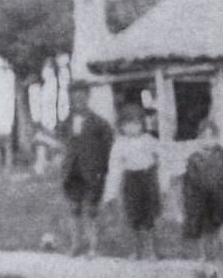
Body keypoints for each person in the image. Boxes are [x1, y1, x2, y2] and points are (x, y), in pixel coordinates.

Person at [57, 80, 115, 257]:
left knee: (91, 210)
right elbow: (62, 144)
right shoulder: (66, 123)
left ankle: (93, 247)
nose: (78, 102)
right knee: (73, 209)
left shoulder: (100, 123)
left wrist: (102, 170)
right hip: (72, 173)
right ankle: (75, 245)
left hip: (92, 173)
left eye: (82, 98)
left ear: (88, 97)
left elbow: (108, 148)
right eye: (74, 99)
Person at [103, 104, 162, 260]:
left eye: (135, 124)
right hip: (131, 181)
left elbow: (163, 156)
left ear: (142, 124)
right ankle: (136, 251)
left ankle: (151, 251)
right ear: (121, 126)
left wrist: (163, 179)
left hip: (147, 179)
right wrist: (110, 193)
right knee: (133, 216)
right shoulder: (120, 144)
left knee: (149, 216)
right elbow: (114, 168)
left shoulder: (148, 140)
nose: (131, 128)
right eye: (127, 125)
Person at [182, 119, 223, 264]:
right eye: (204, 137)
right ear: (198, 139)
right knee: (205, 231)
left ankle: (220, 257)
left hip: (219, 199)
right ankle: (206, 258)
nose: (208, 141)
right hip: (202, 201)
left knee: (220, 229)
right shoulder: (194, 159)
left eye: (212, 137)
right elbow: (191, 182)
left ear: (217, 138)